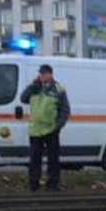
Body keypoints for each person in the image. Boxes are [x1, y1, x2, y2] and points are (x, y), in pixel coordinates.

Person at [19, 64, 70, 192]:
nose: (42, 76)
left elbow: (65, 110)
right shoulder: (35, 88)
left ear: (50, 74)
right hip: (35, 130)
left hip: (51, 129)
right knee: (35, 159)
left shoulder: (58, 89)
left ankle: (52, 184)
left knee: (53, 159)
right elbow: (23, 98)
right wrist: (32, 86)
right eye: (40, 74)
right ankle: (33, 184)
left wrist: (58, 125)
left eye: (44, 74)